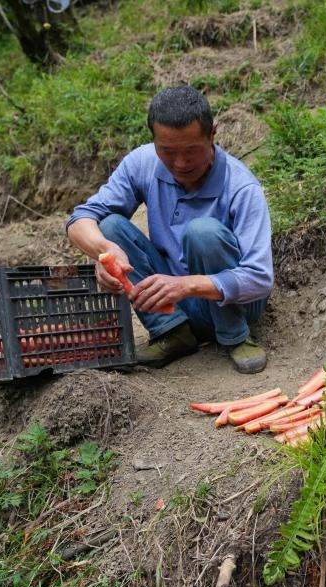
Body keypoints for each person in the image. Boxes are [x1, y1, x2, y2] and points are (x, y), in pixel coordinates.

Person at [65, 85, 273, 374]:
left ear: (212, 134)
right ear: (154, 140)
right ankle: (173, 331)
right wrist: (104, 252)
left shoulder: (241, 187)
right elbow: (81, 218)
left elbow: (260, 278)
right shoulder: (142, 163)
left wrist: (184, 285)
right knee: (109, 226)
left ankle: (235, 335)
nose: (180, 163)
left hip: (233, 303)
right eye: (167, 151)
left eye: (191, 150)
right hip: (174, 299)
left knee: (202, 233)